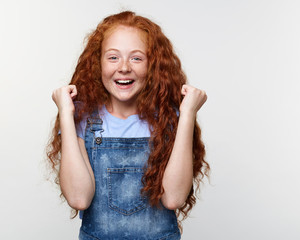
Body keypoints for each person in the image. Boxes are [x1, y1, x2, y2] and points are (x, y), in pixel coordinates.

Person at [47, 11, 210, 240]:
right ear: (97, 63)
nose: (124, 67)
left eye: (136, 58)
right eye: (113, 57)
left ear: (152, 66)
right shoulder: (83, 118)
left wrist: (188, 114)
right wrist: (65, 112)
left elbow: (173, 198)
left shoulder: (169, 119)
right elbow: (79, 198)